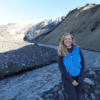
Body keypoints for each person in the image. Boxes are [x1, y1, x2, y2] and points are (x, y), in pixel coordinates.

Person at [57, 32, 85, 100]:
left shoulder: (78, 50)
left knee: (77, 97)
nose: (67, 40)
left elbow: (83, 64)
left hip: (78, 77)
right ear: (63, 41)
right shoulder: (61, 52)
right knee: (73, 98)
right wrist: (72, 81)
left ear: (71, 40)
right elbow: (61, 68)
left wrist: (80, 78)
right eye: (65, 39)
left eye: (69, 38)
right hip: (67, 79)